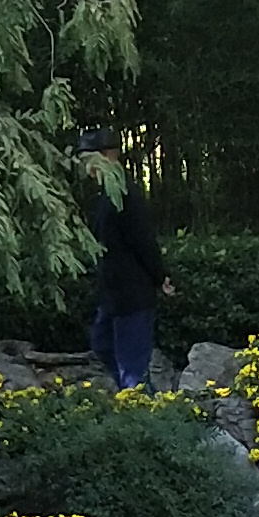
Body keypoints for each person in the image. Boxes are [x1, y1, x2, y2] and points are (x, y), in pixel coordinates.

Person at [73, 129, 161, 391]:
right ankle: (134, 398)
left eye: (90, 158)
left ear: (110, 156)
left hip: (132, 294)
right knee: (101, 345)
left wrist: (160, 277)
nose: (86, 166)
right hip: (111, 294)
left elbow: (144, 241)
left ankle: (144, 410)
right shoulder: (103, 195)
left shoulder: (124, 194)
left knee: (132, 368)